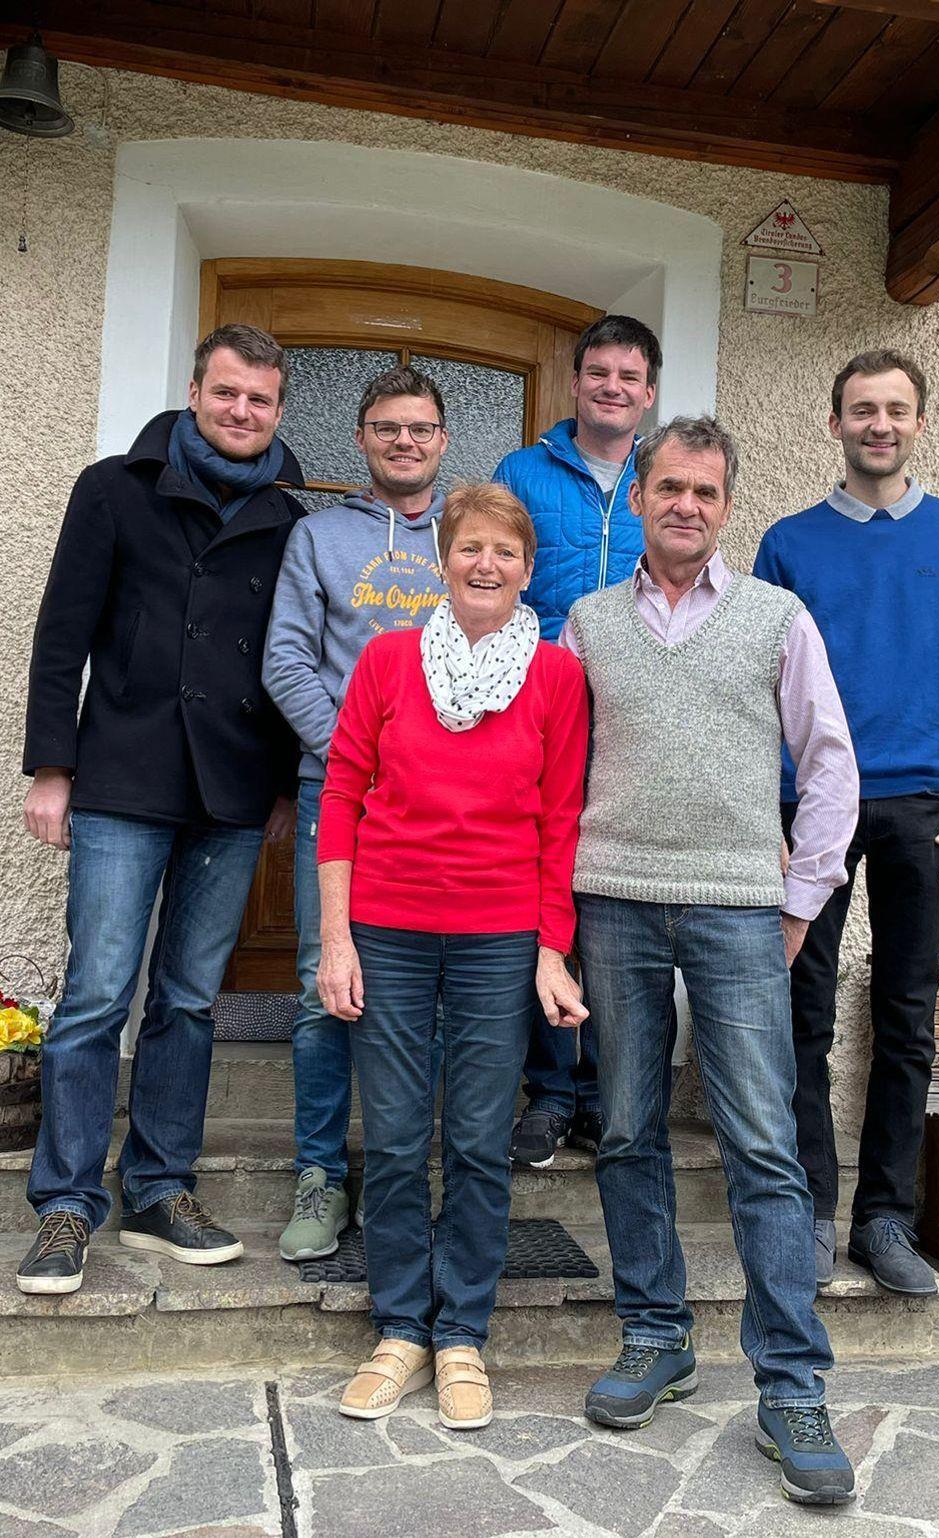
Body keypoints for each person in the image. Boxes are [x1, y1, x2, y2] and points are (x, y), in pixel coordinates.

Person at [562, 417, 862, 1506]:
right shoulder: (588, 622)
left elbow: (830, 763)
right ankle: (656, 1333)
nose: (686, 505)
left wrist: (802, 898)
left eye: (705, 491)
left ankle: (790, 1385)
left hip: (739, 906)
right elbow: (557, 767)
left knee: (762, 1145)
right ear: (638, 498)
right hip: (613, 899)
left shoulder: (777, 617)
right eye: (669, 488)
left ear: (727, 506)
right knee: (627, 1127)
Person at [16, 323, 303, 1295]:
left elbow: (288, 658)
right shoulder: (113, 488)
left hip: (231, 787)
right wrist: (51, 768)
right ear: (194, 392)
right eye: (227, 393)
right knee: (98, 992)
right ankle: (65, 1204)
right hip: (122, 776)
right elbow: (63, 634)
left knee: (187, 997)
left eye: (259, 399)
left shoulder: (289, 516)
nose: (241, 411)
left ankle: (159, 1188)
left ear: (277, 410)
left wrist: (279, 783)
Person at [315, 482, 589, 1431]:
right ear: (444, 561)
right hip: (386, 929)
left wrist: (552, 951)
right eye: (470, 547)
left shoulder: (555, 676)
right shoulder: (389, 661)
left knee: (476, 1140)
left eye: (505, 552)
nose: (486, 565)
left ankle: (462, 1332)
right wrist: (336, 939)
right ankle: (401, 1328)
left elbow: (560, 822)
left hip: (498, 938)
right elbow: (341, 793)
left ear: (527, 570)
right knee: (394, 1139)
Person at [753, 348, 939, 1295]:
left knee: (907, 1018)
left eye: (896, 410)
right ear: (836, 424)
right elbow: (759, 689)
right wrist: (769, 808)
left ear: (918, 423)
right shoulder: (789, 543)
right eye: (863, 409)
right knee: (802, 1013)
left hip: (922, 805)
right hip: (812, 804)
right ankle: (807, 1213)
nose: (880, 425)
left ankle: (886, 1220)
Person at [263, 364, 452, 1264]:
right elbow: (286, 661)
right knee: (320, 984)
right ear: (361, 438)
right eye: (386, 428)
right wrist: (354, 759)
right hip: (333, 790)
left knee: (425, 992)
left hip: (442, 804)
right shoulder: (317, 538)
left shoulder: (467, 534)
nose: (403, 442)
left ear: (443, 440)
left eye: (419, 428)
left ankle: (399, 1173)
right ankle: (319, 1173)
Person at [492, 313, 660, 1168]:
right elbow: (494, 577)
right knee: (543, 892)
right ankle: (552, 1092)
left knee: (613, 900)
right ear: (576, 382)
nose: (612, 388)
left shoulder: (662, 478)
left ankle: (607, 1095)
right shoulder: (521, 472)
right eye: (599, 372)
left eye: (629, 376)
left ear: (649, 393)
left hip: (634, 722)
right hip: (539, 715)